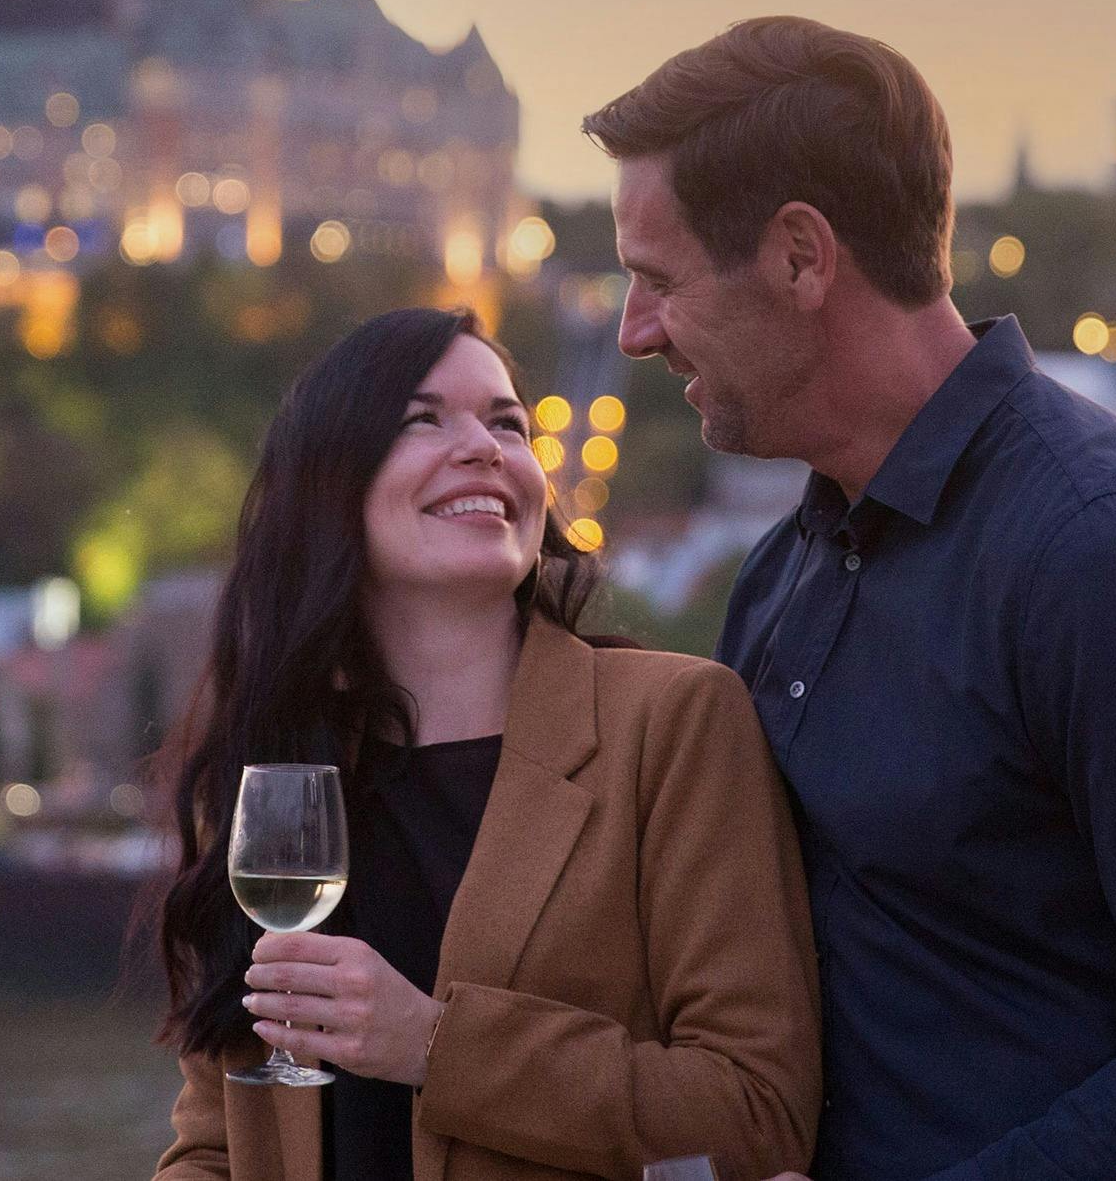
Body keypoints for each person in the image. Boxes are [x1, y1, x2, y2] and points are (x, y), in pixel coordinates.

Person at [585, 17, 1116, 1181]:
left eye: (655, 282)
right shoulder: (782, 576)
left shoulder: (1109, 561)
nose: (633, 332)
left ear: (801, 258)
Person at [152, 306, 821, 1181]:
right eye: (420, 420)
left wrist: (433, 1043)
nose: (484, 447)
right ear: (327, 488)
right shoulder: (275, 774)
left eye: (507, 422)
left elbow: (754, 1114)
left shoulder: (673, 722)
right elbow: (215, 1147)